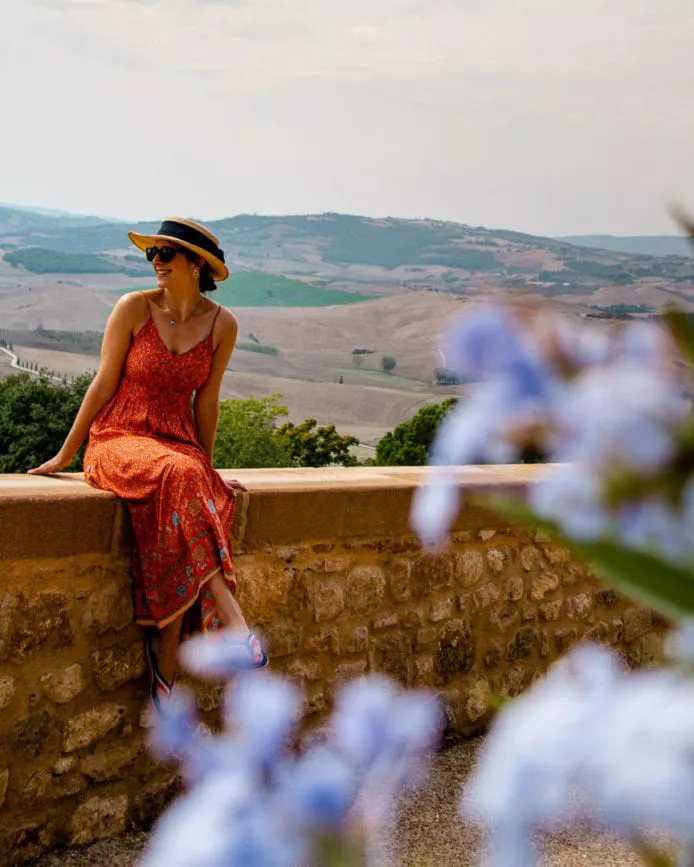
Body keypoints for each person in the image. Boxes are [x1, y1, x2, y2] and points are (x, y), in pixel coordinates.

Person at [28, 217, 268, 716]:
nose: (155, 262)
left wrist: (209, 466)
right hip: (119, 437)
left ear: (195, 264)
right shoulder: (134, 307)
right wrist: (67, 453)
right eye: (152, 255)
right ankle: (234, 626)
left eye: (166, 254)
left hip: (177, 445)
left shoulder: (223, 324)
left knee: (186, 481)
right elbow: (102, 383)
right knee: (182, 476)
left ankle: (166, 662)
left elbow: (208, 403)